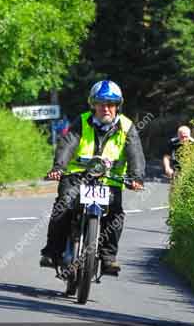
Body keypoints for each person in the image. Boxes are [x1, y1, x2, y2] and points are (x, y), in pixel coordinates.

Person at [40, 80, 145, 276]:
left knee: (115, 215)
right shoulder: (82, 121)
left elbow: (135, 153)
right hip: (76, 177)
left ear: (117, 106)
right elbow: (68, 144)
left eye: (111, 104)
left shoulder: (127, 126)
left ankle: (107, 258)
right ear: (93, 104)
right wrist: (58, 168)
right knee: (63, 205)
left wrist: (136, 177)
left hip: (109, 180)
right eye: (101, 103)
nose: (106, 108)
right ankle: (52, 253)